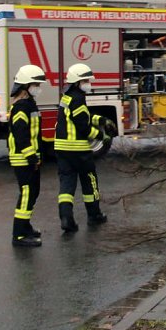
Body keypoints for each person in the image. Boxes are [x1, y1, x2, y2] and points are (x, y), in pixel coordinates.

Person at [55, 63, 111, 233]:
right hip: (78, 149)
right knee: (89, 180)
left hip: (62, 148)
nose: (88, 83)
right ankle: (94, 215)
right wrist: (102, 136)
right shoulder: (79, 98)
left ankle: (66, 218)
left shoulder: (67, 97)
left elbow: (81, 117)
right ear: (78, 82)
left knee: (67, 183)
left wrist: (101, 120)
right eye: (86, 80)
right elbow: (82, 126)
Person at [8, 64, 47, 247]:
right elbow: (21, 135)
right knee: (27, 193)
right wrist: (31, 157)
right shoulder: (21, 108)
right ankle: (19, 235)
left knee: (33, 192)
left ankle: (26, 226)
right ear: (26, 86)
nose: (38, 88)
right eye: (35, 84)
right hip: (22, 158)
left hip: (30, 157)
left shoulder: (29, 104)